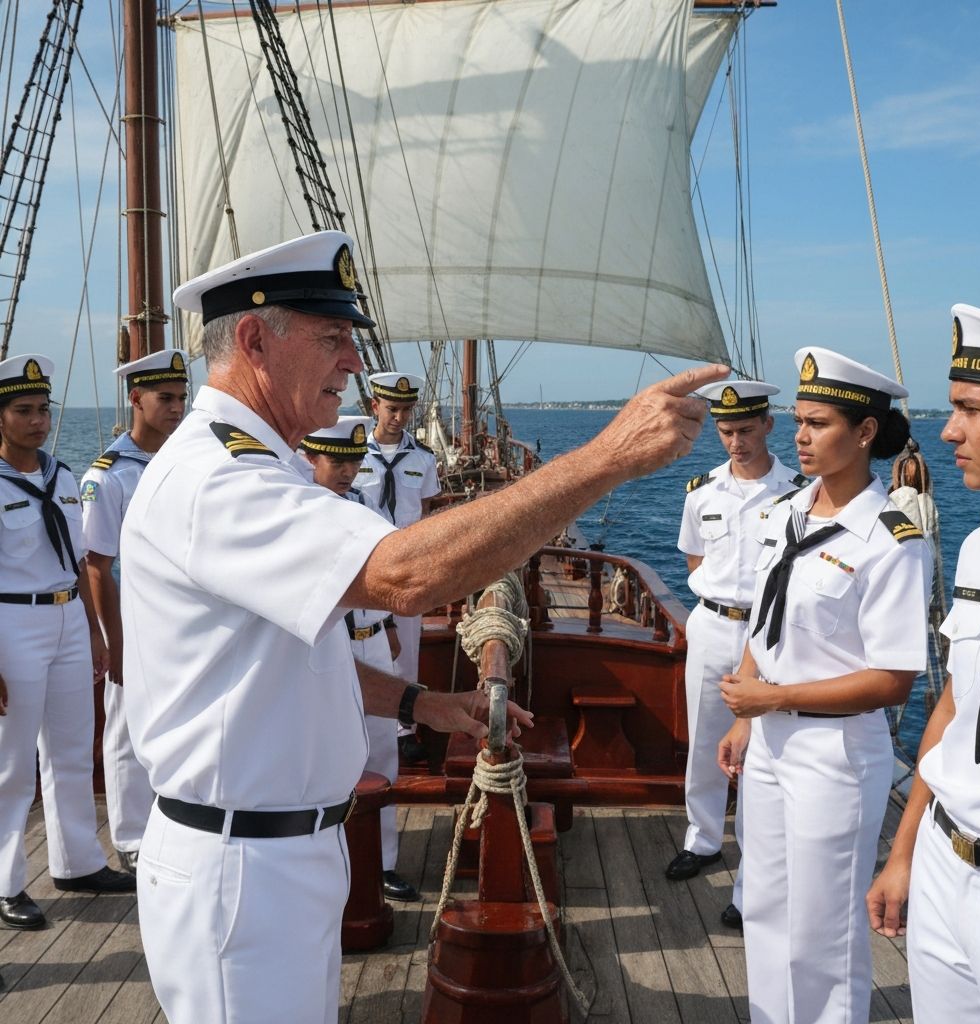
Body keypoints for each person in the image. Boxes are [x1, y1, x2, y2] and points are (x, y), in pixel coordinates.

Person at [119, 229, 725, 1024]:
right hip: (243, 870)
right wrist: (605, 457)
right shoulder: (219, 480)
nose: (352, 363)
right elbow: (406, 576)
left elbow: (277, 660)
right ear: (254, 339)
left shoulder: (254, 466)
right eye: (333, 337)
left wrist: (418, 706)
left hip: (280, 854)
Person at [717, 347, 932, 1024]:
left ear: (864, 433)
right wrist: (748, 713)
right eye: (798, 421)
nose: (801, 436)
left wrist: (773, 698)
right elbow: (766, 620)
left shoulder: (891, 538)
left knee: (824, 933)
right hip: (772, 742)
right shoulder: (788, 512)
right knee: (767, 909)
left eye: (819, 423)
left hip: (834, 754)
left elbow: (894, 680)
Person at [866, 304, 980, 1023]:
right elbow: (956, 705)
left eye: (969, 408)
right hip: (942, 859)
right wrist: (904, 851)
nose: (948, 429)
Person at [665, 380, 807, 934]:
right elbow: (694, 563)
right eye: (726, 432)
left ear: (769, 425)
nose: (736, 442)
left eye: (746, 430)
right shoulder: (702, 491)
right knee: (704, 737)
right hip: (711, 624)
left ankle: (755, 866)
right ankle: (702, 840)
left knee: (763, 750)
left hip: (769, 632)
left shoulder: (798, 492)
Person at [0, 354, 135, 932]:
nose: (38, 421)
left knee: (74, 751)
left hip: (64, 622)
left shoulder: (58, 475)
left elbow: (78, 562)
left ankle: (77, 861)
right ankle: (6, 884)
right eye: (23, 411)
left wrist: (93, 629)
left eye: (43, 410)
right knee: (10, 767)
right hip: (12, 626)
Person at [300, 414, 419, 902]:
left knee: (382, 751)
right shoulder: (301, 513)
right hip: (331, 643)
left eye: (353, 461)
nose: (347, 471)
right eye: (336, 461)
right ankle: (326, 863)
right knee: (331, 755)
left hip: (371, 636)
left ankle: (382, 861)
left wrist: (389, 624)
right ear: (310, 458)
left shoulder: (363, 502)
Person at [80, 349, 189, 874]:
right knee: (124, 727)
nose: (176, 407)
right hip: (131, 621)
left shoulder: (183, 462)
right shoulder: (110, 477)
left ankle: (168, 824)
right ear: (136, 398)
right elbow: (98, 566)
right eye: (165, 398)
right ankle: (129, 837)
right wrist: (115, 643)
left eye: (181, 398)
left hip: (176, 619)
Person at [357, 371, 440, 762]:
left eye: (407, 410)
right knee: (359, 641)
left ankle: (404, 728)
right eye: (392, 409)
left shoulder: (424, 460)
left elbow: (423, 515)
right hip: (365, 564)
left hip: (406, 568)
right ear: (374, 406)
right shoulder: (352, 456)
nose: (400, 418)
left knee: (406, 648)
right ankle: (358, 717)